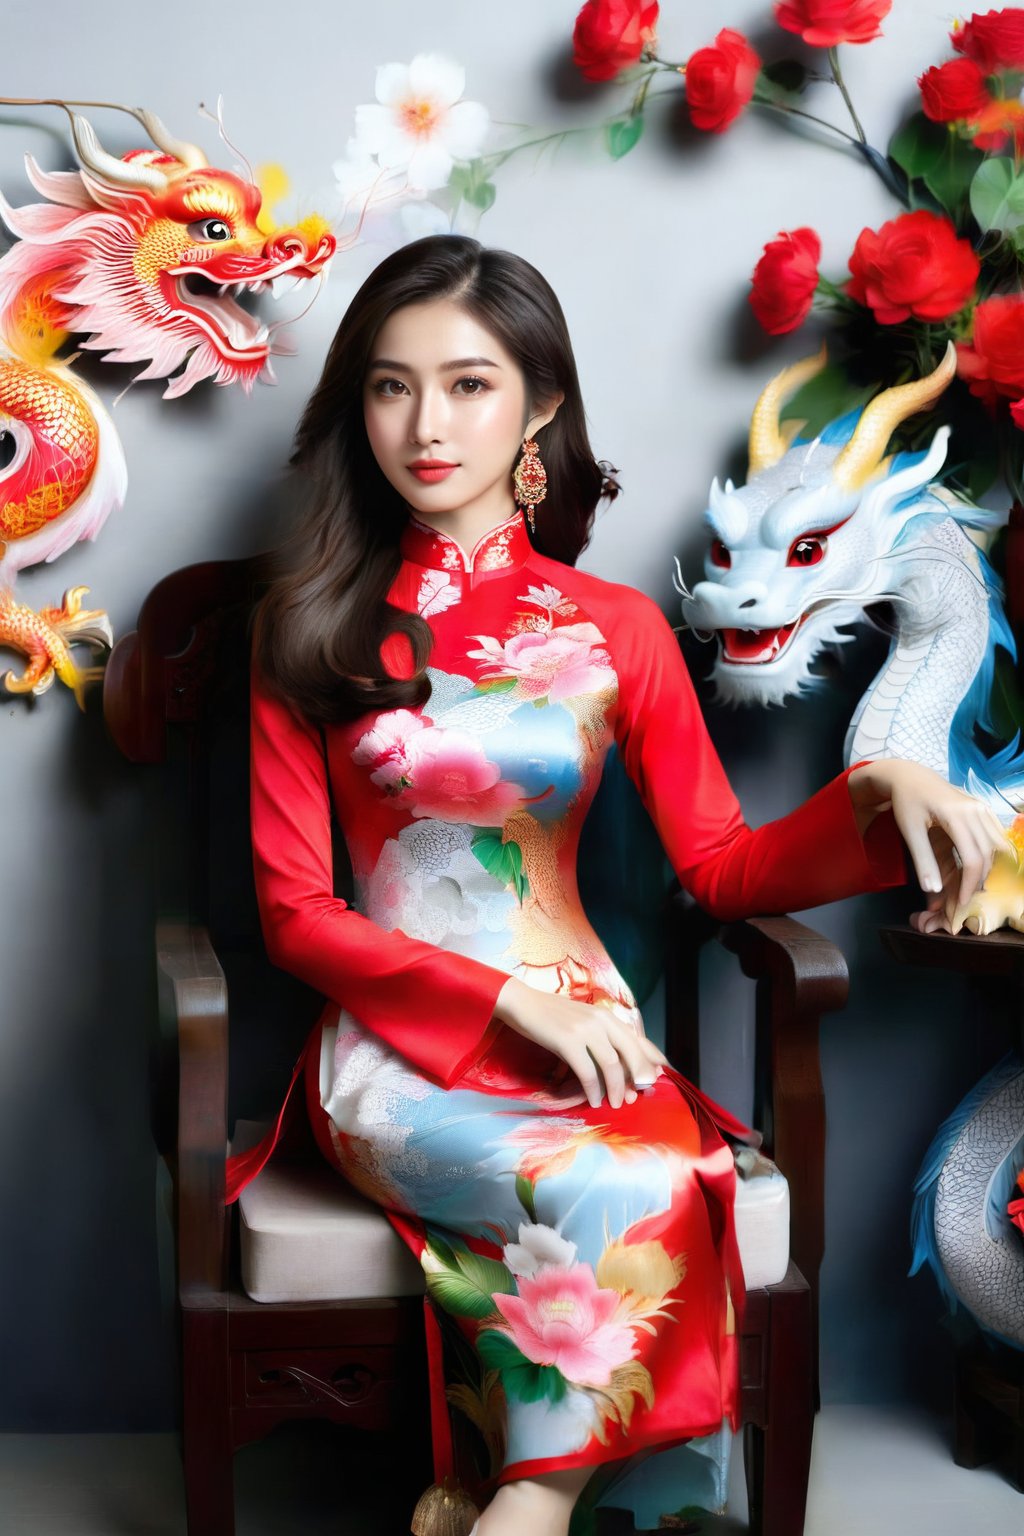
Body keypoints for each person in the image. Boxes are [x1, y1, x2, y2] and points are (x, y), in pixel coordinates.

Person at [226, 234, 1008, 1536]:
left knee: (651, 1178)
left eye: (470, 384)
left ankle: (513, 1509)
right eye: (390, 384)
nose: (427, 424)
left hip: (598, 1047)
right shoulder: (308, 626)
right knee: (635, 1191)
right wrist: (507, 1007)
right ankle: (537, 1513)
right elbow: (295, 914)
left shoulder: (614, 630)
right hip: (398, 1049)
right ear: (355, 404)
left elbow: (720, 865)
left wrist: (876, 800)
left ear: (539, 404)